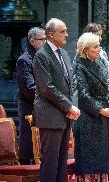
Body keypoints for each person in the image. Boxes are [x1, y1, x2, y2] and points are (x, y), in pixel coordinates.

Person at [32, 18, 80, 182]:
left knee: (61, 162)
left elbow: (71, 83)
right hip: (50, 116)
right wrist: (69, 106)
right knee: (50, 162)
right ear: (51, 34)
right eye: (62, 31)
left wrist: (72, 106)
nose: (67, 34)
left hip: (64, 116)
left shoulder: (64, 54)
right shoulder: (41, 55)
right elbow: (47, 88)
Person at [72, 32, 109, 182]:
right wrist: (99, 109)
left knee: (102, 161)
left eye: (99, 46)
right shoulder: (78, 65)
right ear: (85, 49)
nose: (99, 49)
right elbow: (83, 95)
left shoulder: (100, 62)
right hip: (87, 119)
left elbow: (108, 87)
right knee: (89, 161)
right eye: (95, 47)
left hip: (102, 118)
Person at [16, 27, 45, 165]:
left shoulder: (42, 57)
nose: (45, 42)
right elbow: (29, 89)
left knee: (41, 149)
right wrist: (49, 98)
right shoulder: (24, 60)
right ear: (32, 41)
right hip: (29, 108)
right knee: (28, 147)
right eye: (42, 39)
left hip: (42, 108)